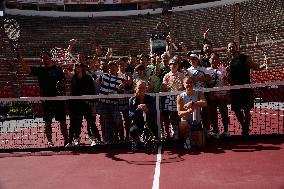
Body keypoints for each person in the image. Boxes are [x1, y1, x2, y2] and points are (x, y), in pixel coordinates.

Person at [17, 50, 68, 147]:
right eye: (42, 57)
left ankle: (66, 140)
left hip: (58, 100)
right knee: (48, 122)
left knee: (62, 121)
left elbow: (63, 82)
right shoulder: (40, 70)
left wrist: (62, 89)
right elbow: (27, 70)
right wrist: (20, 59)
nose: (44, 59)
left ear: (50, 58)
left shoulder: (58, 69)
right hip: (46, 100)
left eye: (46, 57)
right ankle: (50, 141)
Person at [225, 41, 267, 136]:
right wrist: (227, 73)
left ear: (236, 47)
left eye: (233, 47)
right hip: (235, 89)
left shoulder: (245, 58)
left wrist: (264, 65)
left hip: (246, 88)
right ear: (227, 50)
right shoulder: (228, 61)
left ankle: (245, 129)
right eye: (229, 48)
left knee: (247, 110)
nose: (231, 49)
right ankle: (244, 126)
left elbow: (257, 67)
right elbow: (228, 79)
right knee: (236, 110)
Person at [67, 63, 102, 147]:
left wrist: (86, 99)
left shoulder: (88, 78)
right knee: (73, 123)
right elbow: (72, 91)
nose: (78, 69)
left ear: (82, 69)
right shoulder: (73, 78)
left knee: (91, 123)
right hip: (75, 104)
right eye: (77, 68)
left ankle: (99, 140)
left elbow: (92, 90)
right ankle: (71, 141)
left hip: (86, 104)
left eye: (80, 68)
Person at [177, 76, 207, 150]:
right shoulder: (180, 97)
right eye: (187, 83)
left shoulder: (199, 93)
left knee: (200, 145)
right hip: (186, 122)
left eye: (191, 82)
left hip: (196, 122)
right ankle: (186, 139)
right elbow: (179, 113)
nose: (189, 84)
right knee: (182, 124)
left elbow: (204, 103)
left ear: (193, 84)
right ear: (183, 84)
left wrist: (193, 103)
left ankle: (193, 137)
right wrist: (187, 112)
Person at [129, 80, 157, 151]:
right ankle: (135, 141)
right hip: (137, 122)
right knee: (133, 130)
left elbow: (154, 112)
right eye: (139, 88)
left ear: (146, 88)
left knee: (154, 127)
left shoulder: (151, 99)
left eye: (143, 88)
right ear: (136, 88)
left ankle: (152, 141)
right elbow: (130, 114)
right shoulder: (131, 100)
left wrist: (147, 109)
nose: (141, 90)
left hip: (149, 121)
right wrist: (138, 109)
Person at [206, 52, 230, 138]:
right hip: (211, 96)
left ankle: (226, 131)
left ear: (219, 60)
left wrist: (227, 74)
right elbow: (206, 82)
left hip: (222, 95)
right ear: (209, 60)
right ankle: (216, 132)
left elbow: (227, 80)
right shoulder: (206, 70)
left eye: (216, 58)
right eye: (212, 58)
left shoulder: (223, 69)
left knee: (224, 113)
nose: (214, 60)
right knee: (213, 114)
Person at [161, 56, 184, 140]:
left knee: (181, 114)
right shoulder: (166, 76)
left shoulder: (181, 75)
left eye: (175, 64)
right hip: (170, 97)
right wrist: (167, 86)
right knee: (172, 115)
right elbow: (163, 87)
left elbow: (185, 85)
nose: (173, 65)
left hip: (180, 97)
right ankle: (175, 131)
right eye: (172, 64)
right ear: (169, 66)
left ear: (177, 65)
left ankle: (182, 131)